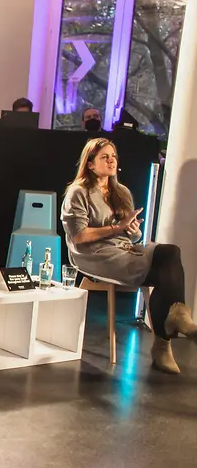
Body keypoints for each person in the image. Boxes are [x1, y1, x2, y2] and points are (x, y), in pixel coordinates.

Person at [61, 138, 197, 373]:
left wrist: (133, 232)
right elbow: (79, 237)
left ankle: (176, 321)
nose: (111, 160)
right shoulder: (78, 192)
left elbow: (130, 236)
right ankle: (166, 340)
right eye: (105, 157)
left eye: (113, 156)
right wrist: (117, 228)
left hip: (124, 250)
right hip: (94, 255)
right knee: (163, 272)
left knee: (170, 253)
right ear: (90, 164)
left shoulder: (121, 192)